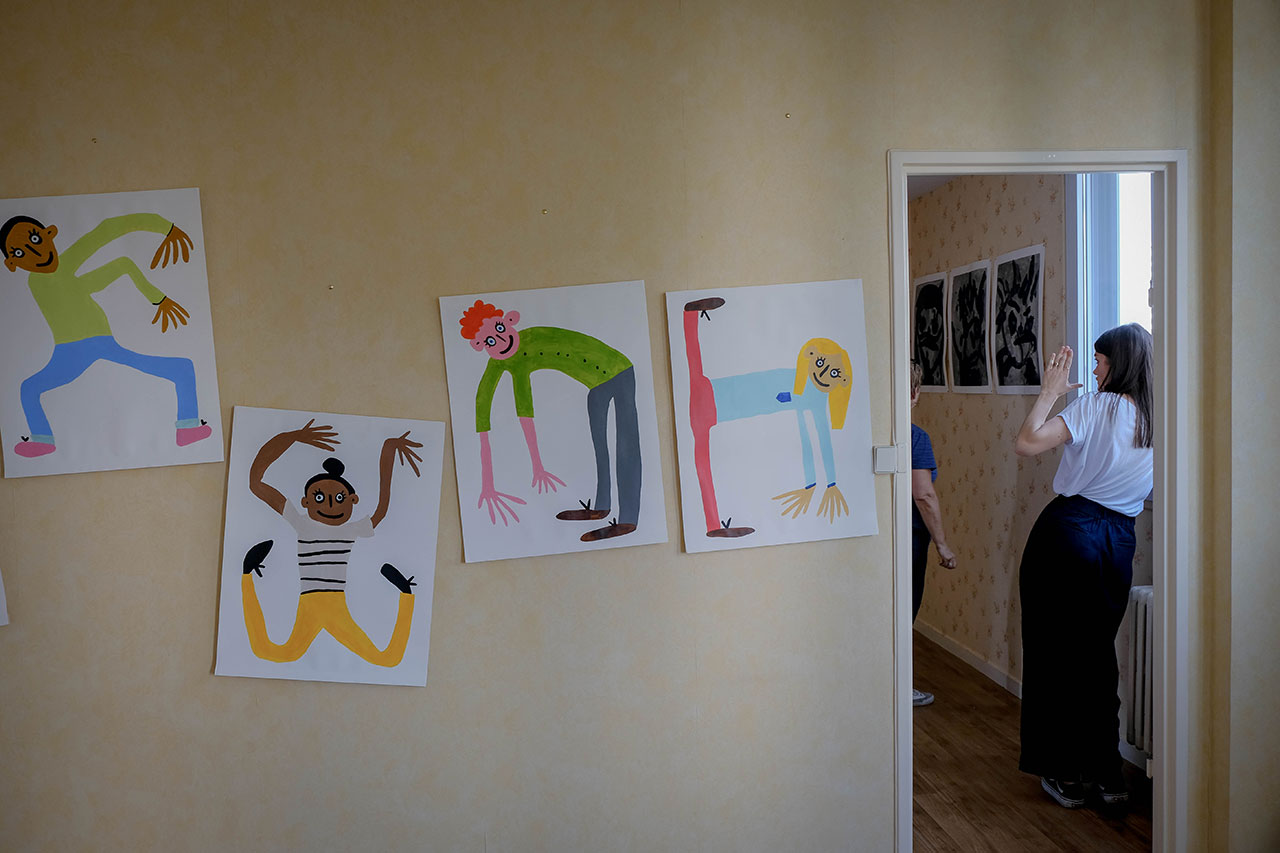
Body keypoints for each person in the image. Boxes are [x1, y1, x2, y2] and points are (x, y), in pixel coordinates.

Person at [1013, 324, 1154, 809]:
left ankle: (1064, 772)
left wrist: (1049, 393)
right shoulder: (1159, 419)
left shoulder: (1096, 407)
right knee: (1096, 655)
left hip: (1069, 531)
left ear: (1119, 363)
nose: (1094, 370)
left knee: (1053, 652)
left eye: (1099, 361)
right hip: (1119, 541)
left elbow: (1027, 442)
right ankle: (1108, 776)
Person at [1, 213, 212, 458]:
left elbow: (106, 234)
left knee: (29, 388)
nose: (35, 253)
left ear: (50, 234)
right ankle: (188, 427)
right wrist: (165, 231)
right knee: (29, 388)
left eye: (36, 239)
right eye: (20, 253)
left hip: (91, 345)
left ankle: (188, 428)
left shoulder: (57, 275)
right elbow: (107, 243)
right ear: (12, 264)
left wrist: (165, 229)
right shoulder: (39, 281)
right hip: (70, 352)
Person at [242, 420, 423, 667]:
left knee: (387, 659)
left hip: (336, 605)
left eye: (339, 498)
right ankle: (246, 577)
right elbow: (255, 483)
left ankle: (406, 595)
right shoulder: (301, 522)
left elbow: (381, 509)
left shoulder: (351, 529)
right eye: (319, 497)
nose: (329, 504)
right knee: (271, 652)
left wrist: (389, 449)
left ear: (353, 500)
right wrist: (290, 436)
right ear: (306, 502)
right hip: (310, 604)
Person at [458, 299, 641, 542]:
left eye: (500, 328)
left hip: (619, 370)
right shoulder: (506, 362)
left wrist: (537, 467)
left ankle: (628, 518)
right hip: (596, 386)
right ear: (480, 346)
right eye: (490, 341)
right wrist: (490, 483)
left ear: (510, 320)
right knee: (600, 446)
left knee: (626, 445)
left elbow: (522, 409)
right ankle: (601, 507)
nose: (500, 340)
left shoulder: (533, 337)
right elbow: (499, 407)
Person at [682, 297, 851, 538]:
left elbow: (813, 440)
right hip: (712, 397)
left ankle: (713, 524)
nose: (823, 371)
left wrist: (824, 483)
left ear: (842, 381)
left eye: (833, 373)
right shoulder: (801, 380)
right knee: (703, 458)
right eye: (821, 362)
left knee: (703, 459)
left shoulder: (815, 400)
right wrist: (820, 484)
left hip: (714, 412)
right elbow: (811, 439)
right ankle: (690, 314)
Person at [908, 360, 958, 706]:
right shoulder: (915, 438)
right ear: (914, 393)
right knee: (903, 613)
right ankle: (897, 691)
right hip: (908, 540)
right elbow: (923, 495)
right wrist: (943, 545)